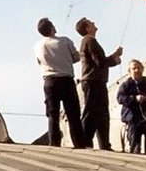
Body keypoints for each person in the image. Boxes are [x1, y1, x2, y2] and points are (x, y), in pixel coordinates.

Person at [34, 17, 83, 147]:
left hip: (49, 81)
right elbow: (76, 57)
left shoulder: (38, 45)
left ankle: (54, 143)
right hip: (66, 80)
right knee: (73, 114)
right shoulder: (65, 41)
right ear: (51, 28)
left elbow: (39, 62)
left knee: (52, 115)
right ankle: (79, 143)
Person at [76, 17, 122, 150]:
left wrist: (114, 56)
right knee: (92, 112)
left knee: (100, 113)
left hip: (95, 81)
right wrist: (114, 59)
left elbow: (99, 61)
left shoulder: (88, 42)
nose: (94, 23)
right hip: (93, 81)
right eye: (90, 23)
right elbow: (100, 62)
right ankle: (85, 141)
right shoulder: (89, 41)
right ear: (87, 28)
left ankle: (102, 143)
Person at [116, 60, 146, 154]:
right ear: (129, 71)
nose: (136, 70)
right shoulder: (126, 85)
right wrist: (134, 99)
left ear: (142, 70)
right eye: (134, 68)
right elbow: (120, 98)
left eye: (139, 68)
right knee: (135, 147)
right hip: (132, 119)